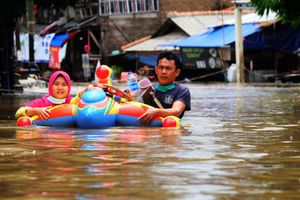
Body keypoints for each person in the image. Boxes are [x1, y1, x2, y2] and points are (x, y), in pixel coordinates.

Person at [138, 51, 191, 126]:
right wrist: (131, 97)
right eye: (161, 67)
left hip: (170, 132)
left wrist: (156, 112)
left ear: (177, 72)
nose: (163, 72)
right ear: (156, 70)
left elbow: (176, 111)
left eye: (168, 68)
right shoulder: (148, 89)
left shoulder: (182, 90)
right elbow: (136, 106)